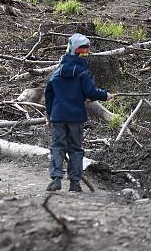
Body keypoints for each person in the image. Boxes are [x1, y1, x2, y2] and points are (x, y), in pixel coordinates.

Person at [44, 33, 115, 192]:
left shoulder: (55, 74)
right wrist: (105, 95)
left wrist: (49, 116)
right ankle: (75, 183)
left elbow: (48, 97)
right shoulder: (83, 73)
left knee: (57, 147)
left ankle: (56, 178)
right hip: (75, 118)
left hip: (58, 117)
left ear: (69, 49)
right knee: (75, 149)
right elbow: (91, 92)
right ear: (82, 52)